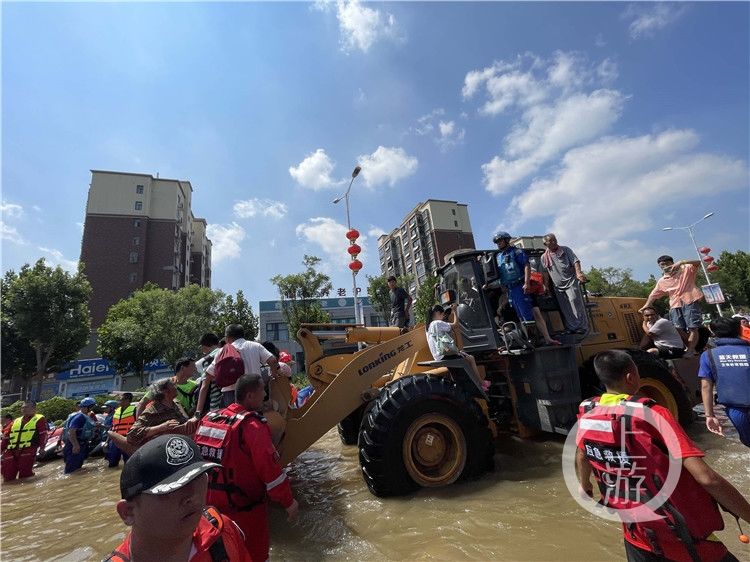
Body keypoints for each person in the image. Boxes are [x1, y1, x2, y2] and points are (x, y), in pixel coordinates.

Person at [575, 349, 750, 562]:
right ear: (631, 376)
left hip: (636, 535)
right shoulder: (652, 414)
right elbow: (707, 478)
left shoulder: (589, 412)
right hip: (679, 536)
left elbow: (583, 455)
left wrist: (584, 485)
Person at [195, 374, 298, 562]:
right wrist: (289, 502)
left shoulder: (209, 420)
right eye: (262, 391)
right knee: (256, 556)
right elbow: (271, 472)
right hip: (245, 510)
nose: (265, 395)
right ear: (250, 396)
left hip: (210, 511)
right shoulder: (252, 426)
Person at [104, 433, 251, 562]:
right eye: (170, 489)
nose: (192, 496)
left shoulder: (222, 532)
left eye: (198, 477)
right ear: (128, 512)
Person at [482, 232, 560, 346]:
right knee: (520, 314)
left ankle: (533, 340)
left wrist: (526, 282)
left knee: (527, 313)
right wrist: (489, 285)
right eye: (497, 242)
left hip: (520, 285)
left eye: (500, 241)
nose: (498, 244)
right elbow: (502, 277)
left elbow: (526, 265)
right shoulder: (499, 257)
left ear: (506, 240)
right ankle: (530, 338)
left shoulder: (517, 252)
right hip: (510, 289)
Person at [699, 316, 750, 447]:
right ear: (739, 330)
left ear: (713, 333)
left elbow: (706, 387)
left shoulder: (708, 355)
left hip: (736, 410)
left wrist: (709, 415)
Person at [640, 255, 704, 355]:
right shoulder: (662, 280)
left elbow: (698, 262)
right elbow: (654, 294)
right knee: (678, 328)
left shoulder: (686, 269)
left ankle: (691, 350)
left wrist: (682, 262)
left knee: (692, 327)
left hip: (690, 300)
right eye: (662, 265)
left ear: (672, 263)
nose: (664, 266)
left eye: (666, 263)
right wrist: (646, 305)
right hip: (675, 304)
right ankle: (691, 348)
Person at [205, 324, 280, 407]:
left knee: (235, 418)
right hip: (254, 391)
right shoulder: (255, 346)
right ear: (242, 335)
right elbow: (273, 360)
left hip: (231, 393)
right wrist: (274, 375)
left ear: (227, 338)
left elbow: (209, 374)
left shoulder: (222, 351)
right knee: (254, 418)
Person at [127, 378, 198, 448]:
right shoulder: (152, 411)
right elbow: (132, 435)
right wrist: (161, 427)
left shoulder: (176, 406)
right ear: (165, 391)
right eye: (173, 385)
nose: (176, 387)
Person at [541, 233, 588, 334]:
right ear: (546, 244)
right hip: (558, 286)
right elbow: (545, 272)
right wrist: (545, 285)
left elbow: (575, 261)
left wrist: (579, 273)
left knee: (575, 302)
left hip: (570, 281)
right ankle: (572, 328)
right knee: (565, 307)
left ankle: (582, 326)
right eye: (551, 241)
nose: (554, 242)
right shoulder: (544, 257)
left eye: (555, 239)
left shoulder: (565, 250)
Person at [425, 304, 483, 383]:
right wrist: (455, 310)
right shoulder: (437, 323)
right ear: (437, 312)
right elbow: (456, 325)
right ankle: (481, 382)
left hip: (438, 356)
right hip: (444, 354)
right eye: (442, 314)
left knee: (461, 359)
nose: (443, 316)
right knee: (471, 358)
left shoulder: (428, 327)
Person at [1, 400, 47, 481]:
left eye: (26, 407)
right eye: (22, 408)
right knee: (7, 477)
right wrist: (1, 450)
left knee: (25, 477)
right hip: (11, 451)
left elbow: (43, 435)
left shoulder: (39, 419)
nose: (24, 409)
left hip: (27, 450)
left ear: (34, 408)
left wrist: (42, 448)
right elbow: (6, 436)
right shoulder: (15, 421)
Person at [62, 397, 97, 474]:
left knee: (77, 468)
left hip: (80, 443)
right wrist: (75, 445)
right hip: (75, 444)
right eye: (91, 407)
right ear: (87, 407)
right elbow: (71, 431)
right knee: (71, 471)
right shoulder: (80, 417)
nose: (92, 409)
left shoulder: (84, 416)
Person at [194, 333, 224, 417]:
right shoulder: (227, 353)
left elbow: (205, 386)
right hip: (233, 400)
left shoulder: (209, 359)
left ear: (203, 347)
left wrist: (198, 412)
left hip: (216, 404)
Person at [107, 393, 136, 468]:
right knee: (112, 463)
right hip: (115, 440)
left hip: (127, 439)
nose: (119, 402)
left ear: (128, 400)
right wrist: (107, 442)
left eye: (121, 400)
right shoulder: (116, 411)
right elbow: (112, 427)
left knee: (129, 463)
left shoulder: (135, 410)